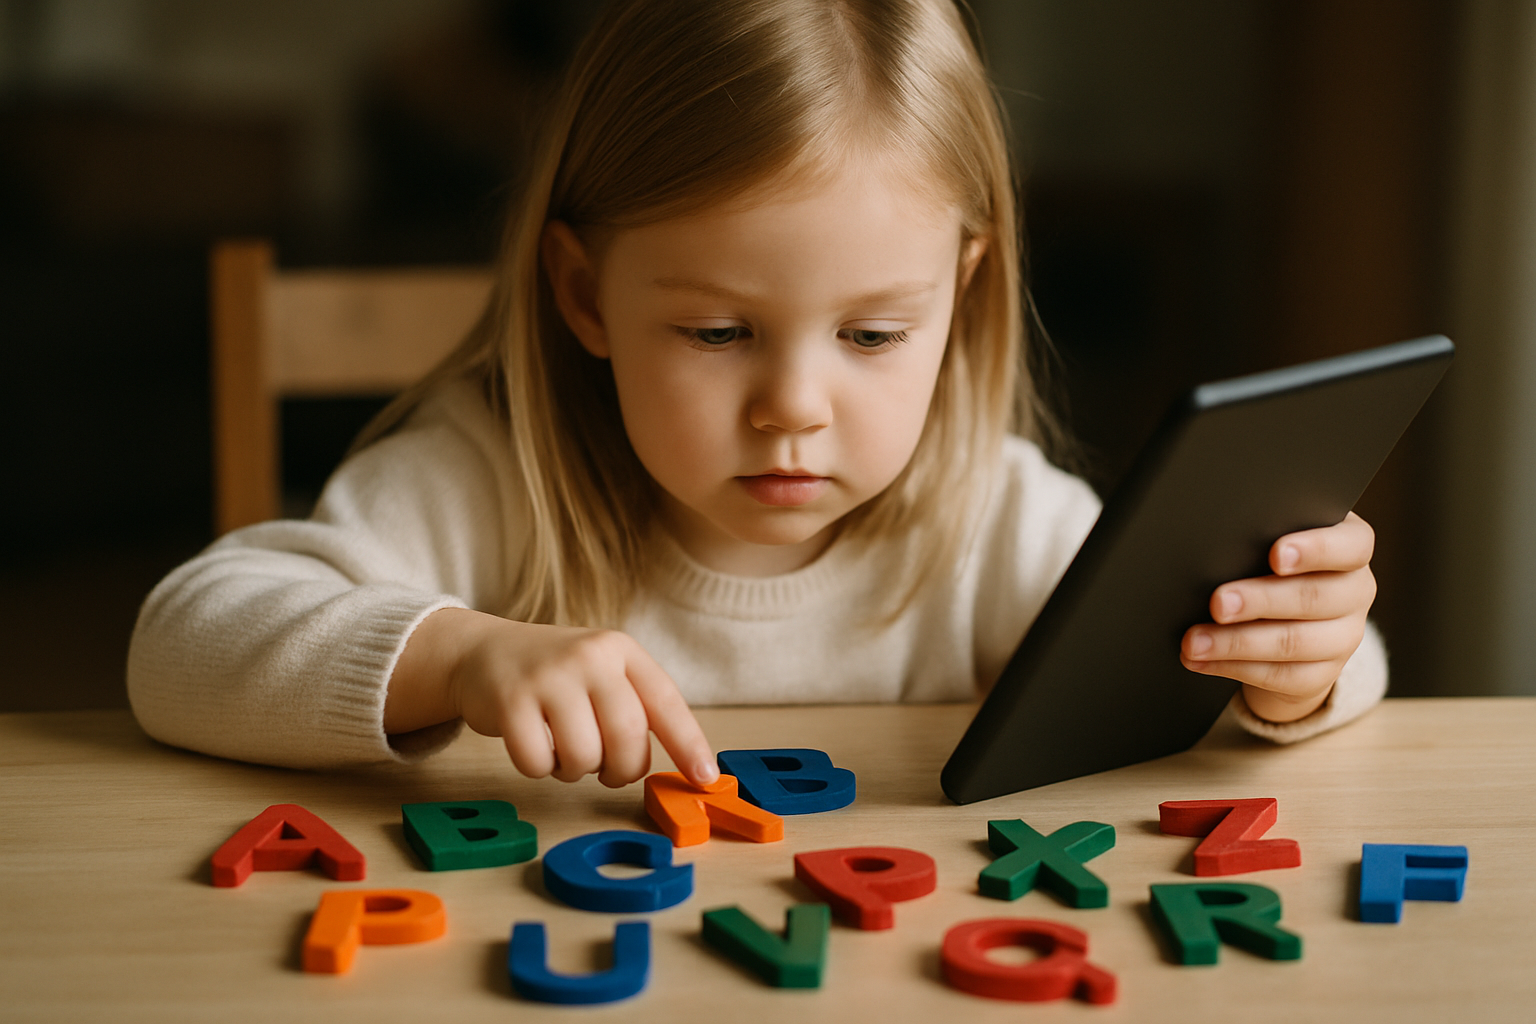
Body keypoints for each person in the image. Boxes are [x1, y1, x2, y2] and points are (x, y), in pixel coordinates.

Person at [127, 0, 1384, 788]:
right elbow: (179, 643)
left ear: (961, 290)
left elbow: (1326, 666)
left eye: (875, 332)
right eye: (719, 329)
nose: (795, 404)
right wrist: (457, 656)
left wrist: (1294, 665)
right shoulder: (486, 484)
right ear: (582, 296)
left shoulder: (991, 514)